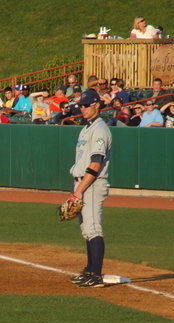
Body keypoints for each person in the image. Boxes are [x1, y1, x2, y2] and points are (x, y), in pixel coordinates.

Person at [67, 89, 112, 288]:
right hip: (82, 182)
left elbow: (95, 163)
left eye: (86, 105)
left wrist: (79, 190)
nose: (82, 109)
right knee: (86, 230)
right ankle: (89, 270)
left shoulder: (100, 129)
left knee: (93, 228)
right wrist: (75, 188)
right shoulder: (86, 128)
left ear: (97, 105)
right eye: (81, 106)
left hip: (92, 183)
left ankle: (96, 275)